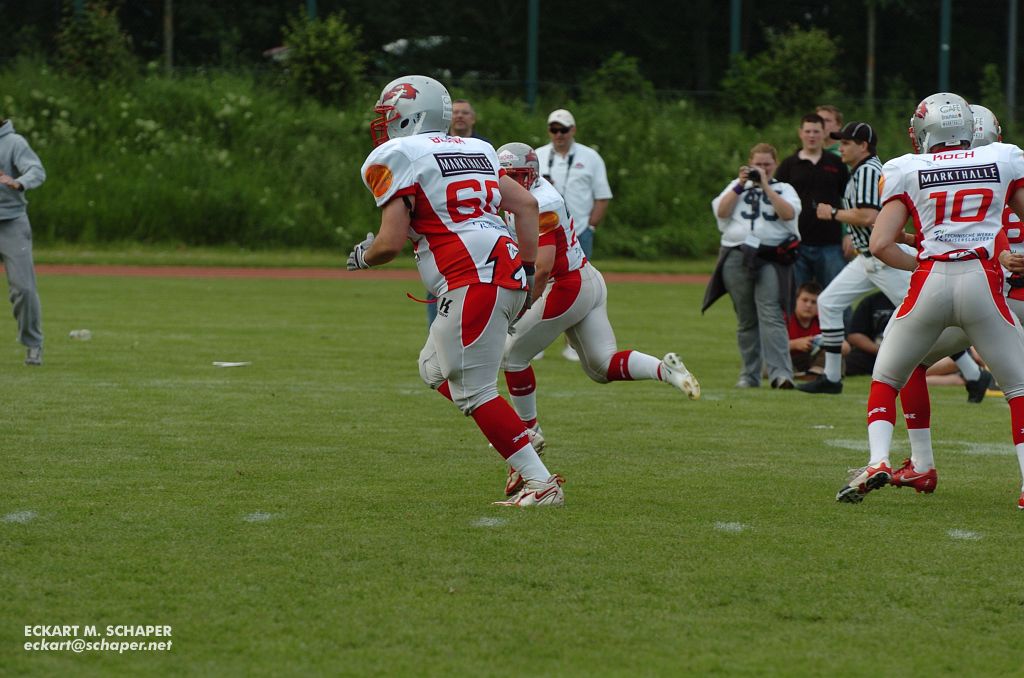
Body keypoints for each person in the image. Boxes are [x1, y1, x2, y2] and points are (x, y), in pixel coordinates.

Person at [347, 75, 563, 508]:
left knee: (474, 391)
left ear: (412, 114)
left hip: (471, 279)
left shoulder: (399, 153)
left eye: (390, 114)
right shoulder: (480, 148)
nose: (385, 122)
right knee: (432, 368)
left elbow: (389, 243)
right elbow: (526, 205)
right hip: (503, 271)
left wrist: (361, 256)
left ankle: (540, 483)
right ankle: (517, 435)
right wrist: (522, 267)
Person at [835, 92, 1024, 509]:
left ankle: (878, 459)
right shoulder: (1005, 159)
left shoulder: (906, 167)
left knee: (887, 375)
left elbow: (881, 243)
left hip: (931, 281)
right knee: (1017, 387)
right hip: (986, 284)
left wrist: (925, 258)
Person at [496, 142, 700, 496]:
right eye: (505, 176)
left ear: (531, 175)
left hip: (566, 285)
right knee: (602, 368)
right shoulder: (525, 197)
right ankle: (665, 370)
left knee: (512, 356)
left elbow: (542, 267)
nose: (508, 183)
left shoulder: (542, 203)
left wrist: (522, 304)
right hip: (586, 278)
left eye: (515, 177)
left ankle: (527, 439)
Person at [797, 122, 906, 395]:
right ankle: (832, 378)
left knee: (921, 314)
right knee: (829, 302)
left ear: (863, 146)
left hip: (881, 257)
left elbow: (869, 216)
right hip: (867, 257)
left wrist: (832, 213)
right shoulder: (861, 170)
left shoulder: (869, 171)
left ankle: (972, 373)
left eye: (846, 143)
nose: (840, 147)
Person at [703, 143, 802, 389]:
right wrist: (740, 183)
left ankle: (781, 374)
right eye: (758, 164)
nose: (762, 168)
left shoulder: (784, 188)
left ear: (775, 164)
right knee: (746, 318)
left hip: (770, 256)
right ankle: (749, 375)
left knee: (770, 313)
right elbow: (722, 212)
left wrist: (766, 186)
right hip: (737, 253)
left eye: (767, 164)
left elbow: (788, 214)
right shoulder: (737, 186)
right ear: (749, 163)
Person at [535, 109, 612, 361]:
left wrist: (590, 227)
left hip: (578, 232)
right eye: (554, 130)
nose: (559, 135)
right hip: (544, 231)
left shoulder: (591, 157)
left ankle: (572, 345)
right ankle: (535, 341)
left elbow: (602, 196)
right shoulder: (537, 155)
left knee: (575, 288)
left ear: (573, 130)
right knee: (540, 281)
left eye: (563, 129)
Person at [423, 98, 492, 330]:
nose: (460, 116)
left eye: (465, 112)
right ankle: (436, 333)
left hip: (478, 229)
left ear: (473, 118)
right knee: (438, 281)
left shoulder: (485, 147)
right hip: (444, 226)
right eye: (455, 112)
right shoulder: (434, 145)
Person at [775, 113, 851, 289]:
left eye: (816, 131)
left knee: (835, 297)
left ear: (824, 133)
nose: (812, 136)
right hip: (796, 242)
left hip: (831, 243)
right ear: (800, 133)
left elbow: (849, 199)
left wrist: (849, 233)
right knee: (797, 299)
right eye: (808, 131)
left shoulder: (837, 163)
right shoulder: (789, 165)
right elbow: (777, 202)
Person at [0, 115, 46, 366]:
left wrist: (18, 182)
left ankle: (33, 344)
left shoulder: (14, 142)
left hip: (11, 222)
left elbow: (36, 171)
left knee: (24, 288)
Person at [787, 281, 849, 378]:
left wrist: (823, 343)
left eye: (813, 302)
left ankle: (815, 372)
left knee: (835, 355)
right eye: (804, 300)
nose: (808, 305)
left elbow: (846, 347)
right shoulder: (785, 318)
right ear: (795, 300)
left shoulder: (823, 319)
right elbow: (769, 346)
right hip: (789, 358)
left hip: (813, 359)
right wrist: (795, 344)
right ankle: (812, 374)